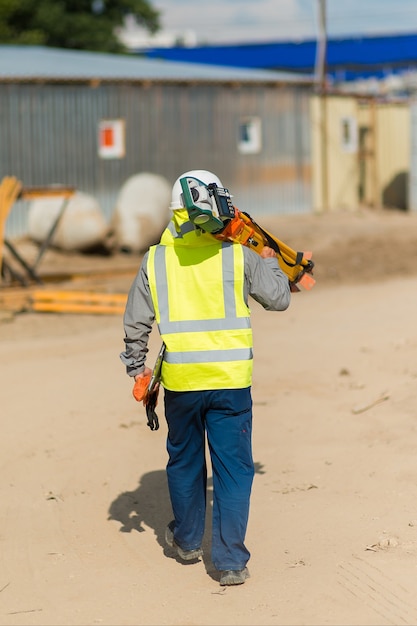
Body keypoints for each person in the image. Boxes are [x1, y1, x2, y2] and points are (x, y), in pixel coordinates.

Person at [120, 169, 291, 586]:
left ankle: (188, 541)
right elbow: (279, 298)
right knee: (233, 470)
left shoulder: (155, 260)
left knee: (184, 461)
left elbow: (136, 325)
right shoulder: (239, 255)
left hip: (182, 384)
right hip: (231, 383)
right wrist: (270, 263)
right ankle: (231, 561)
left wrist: (137, 369)